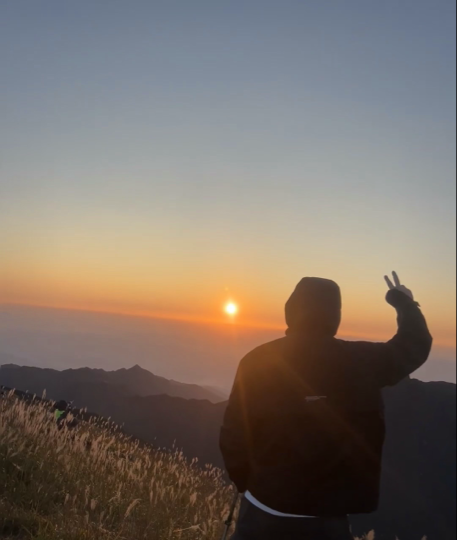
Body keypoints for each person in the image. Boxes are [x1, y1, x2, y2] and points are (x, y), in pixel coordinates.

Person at [220, 273, 432, 540]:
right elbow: (415, 345)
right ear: (335, 315)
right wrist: (403, 302)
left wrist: (246, 483)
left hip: (262, 509)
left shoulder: (255, 361)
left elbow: (233, 433)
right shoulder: (362, 361)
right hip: (327, 518)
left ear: (291, 309)